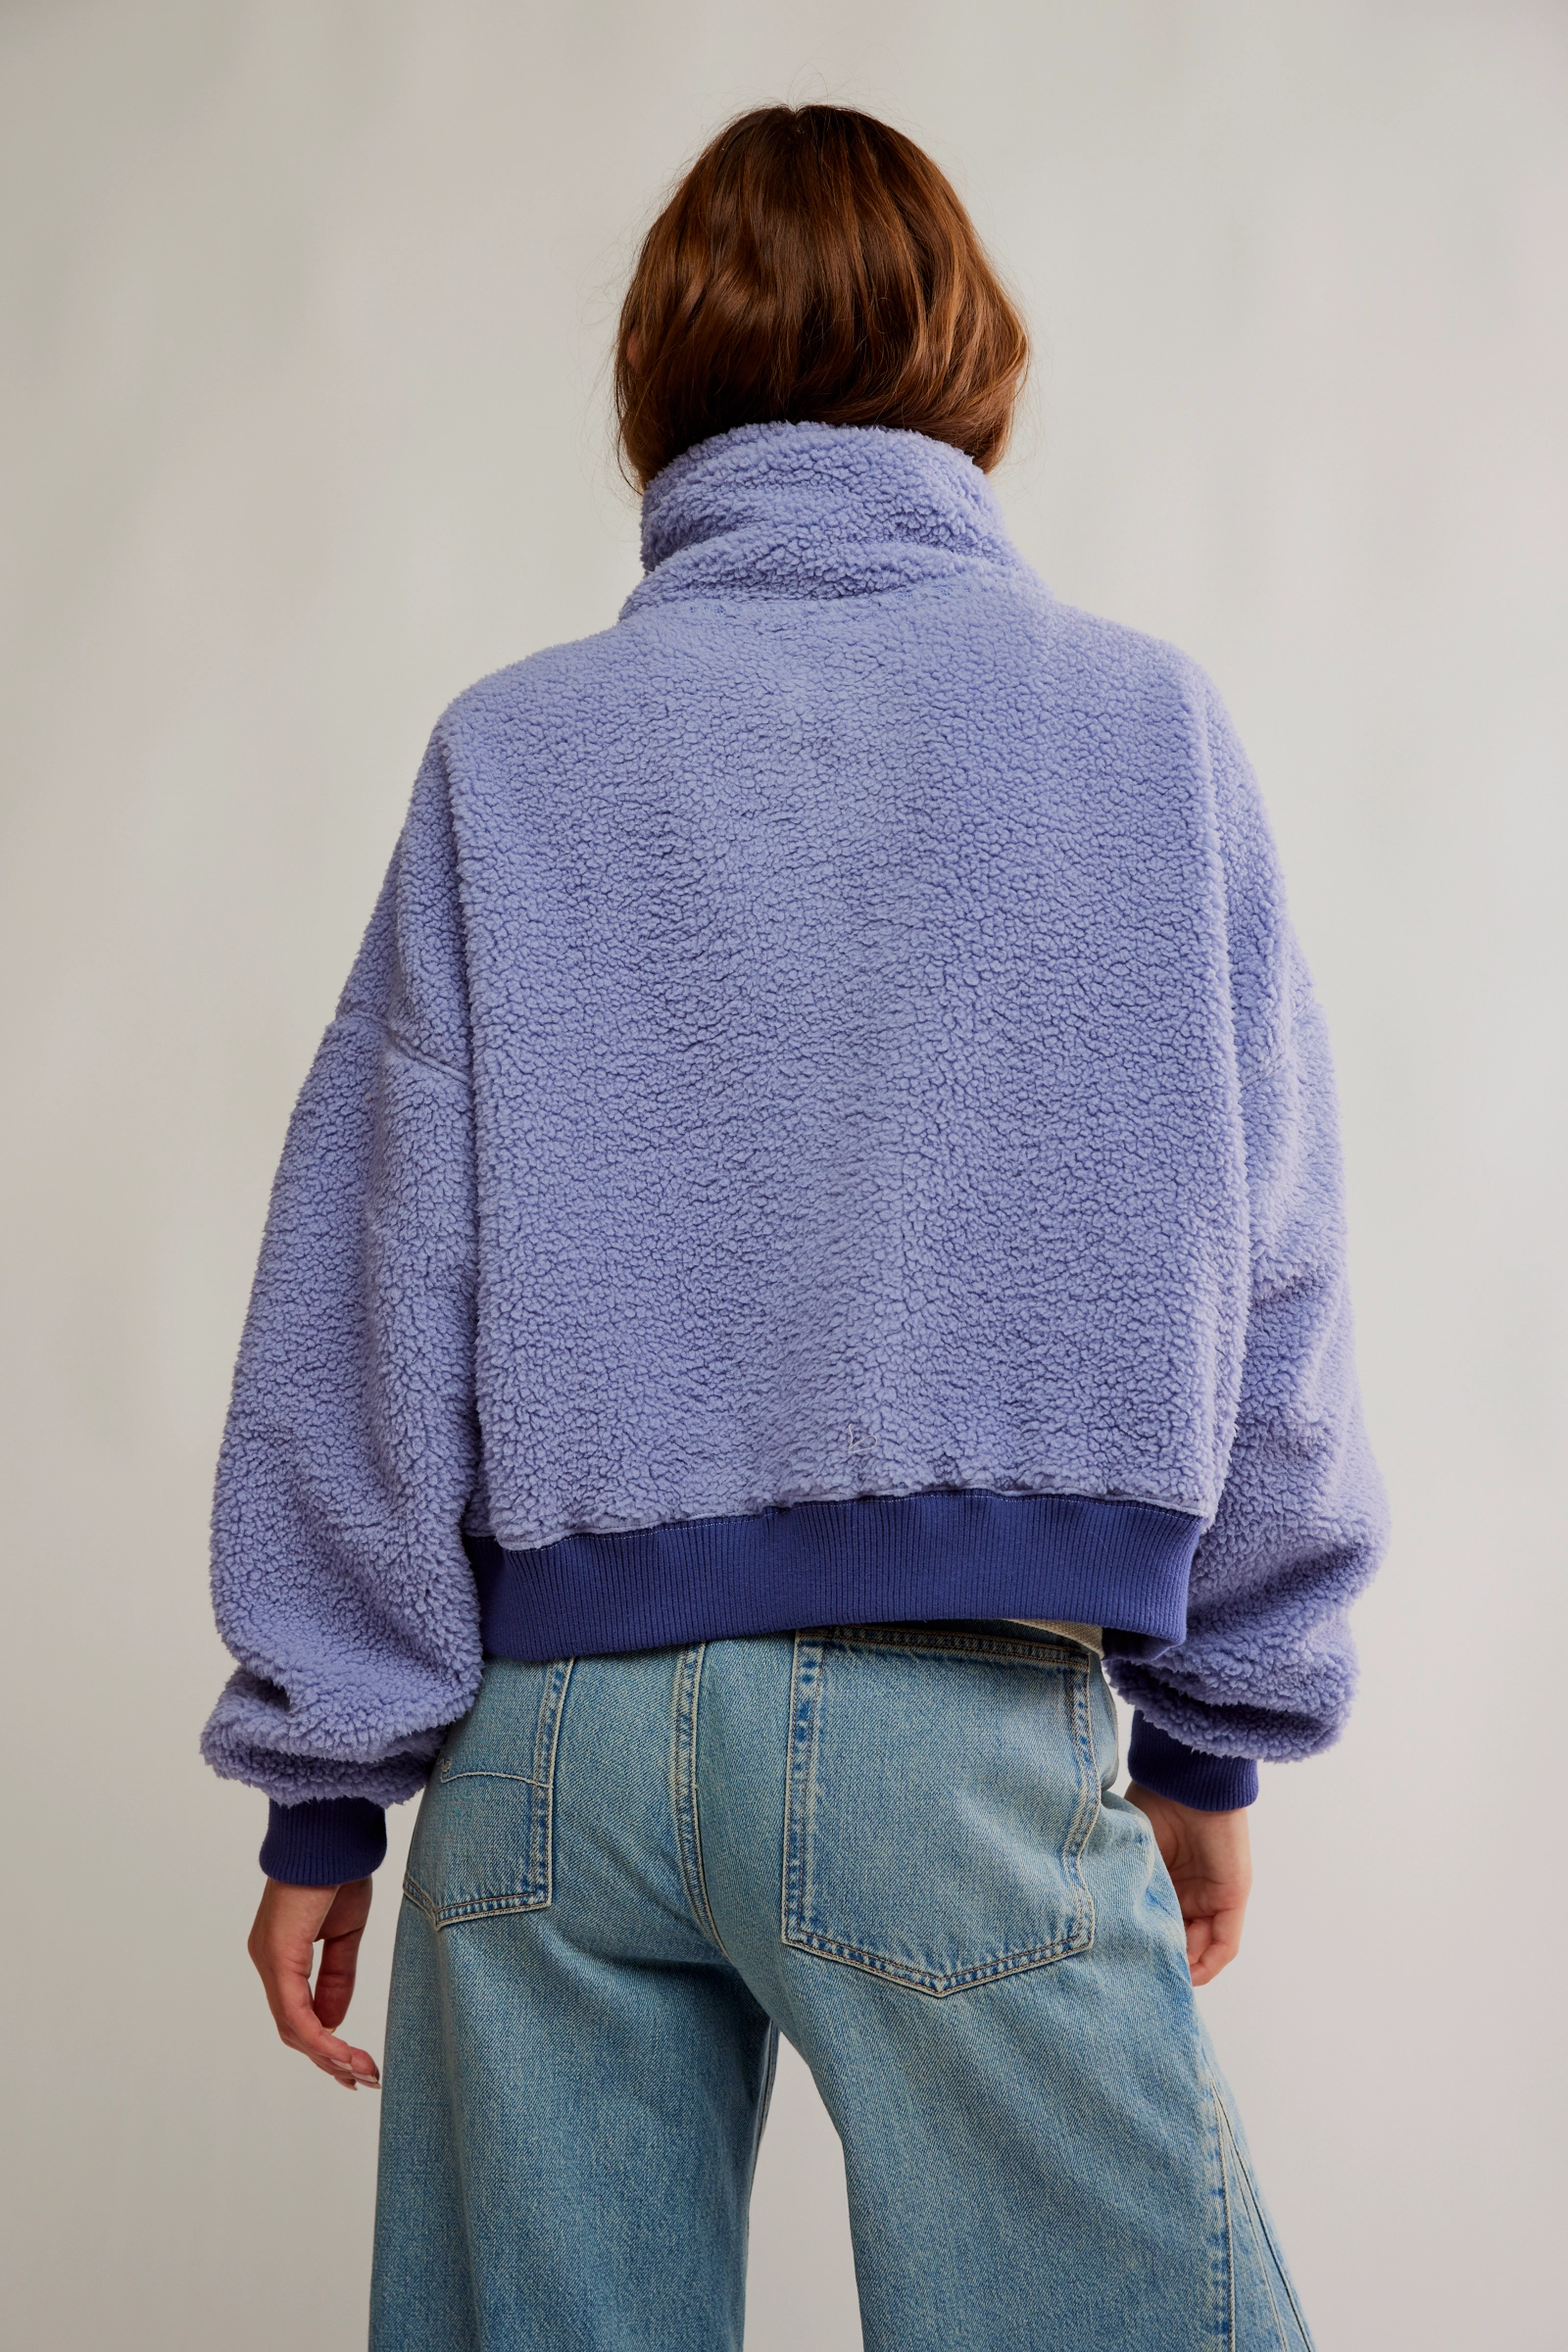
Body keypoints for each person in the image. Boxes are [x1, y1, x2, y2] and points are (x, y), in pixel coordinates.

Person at [208, 103, 1386, 2351]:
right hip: (953, 1741)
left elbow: (362, 1285)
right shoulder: (1138, 731)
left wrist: (321, 1797)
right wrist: (1209, 1731)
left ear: (656, 384)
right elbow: (1271, 1264)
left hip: (543, 1765)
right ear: (969, 364)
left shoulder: (510, 752)